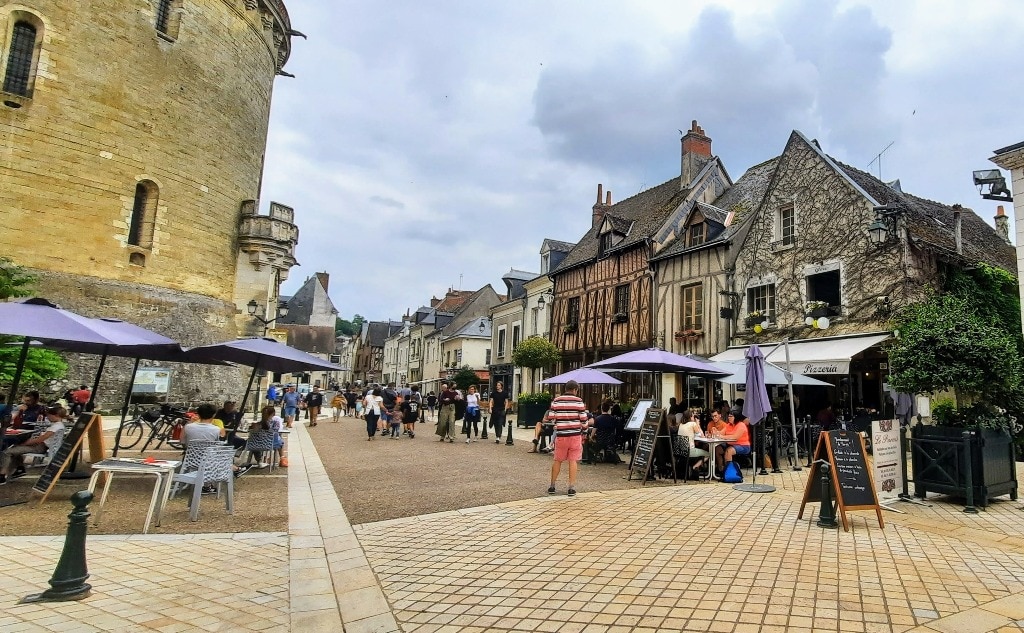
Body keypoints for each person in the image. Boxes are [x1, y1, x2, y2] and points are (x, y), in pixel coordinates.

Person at [0, 404, 65, 484]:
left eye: (49, 416)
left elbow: (40, 439)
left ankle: (2, 475)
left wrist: (25, 443)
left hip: (40, 447)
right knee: (15, 448)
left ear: (55, 415)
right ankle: (19, 469)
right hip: (42, 445)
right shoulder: (58, 425)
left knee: (7, 452)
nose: (48, 417)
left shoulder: (55, 427)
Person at [545, 380, 589, 497]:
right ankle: (571, 488)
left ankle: (552, 486)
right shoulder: (579, 401)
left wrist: (558, 422)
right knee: (573, 460)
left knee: (557, 460)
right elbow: (584, 420)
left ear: (566, 388)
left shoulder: (556, 400)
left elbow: (550, 416)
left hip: (561, 435)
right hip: (575, 435)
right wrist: (584, 431)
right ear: (575, 390)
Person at [680, 410, 710, 478]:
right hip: (690, 451)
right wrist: (698, 424)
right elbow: (702, 436)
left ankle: (694, 468)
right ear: (691, 417)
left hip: (681, 451)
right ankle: (694, 467)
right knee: (708, 454)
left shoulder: (681, 424)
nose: (694, 417)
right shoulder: (692, 424)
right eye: (693, 416)